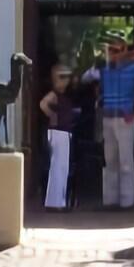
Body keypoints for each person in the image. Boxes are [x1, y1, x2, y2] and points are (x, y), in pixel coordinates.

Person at [98, 37, 134, 208]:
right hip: (108, 118)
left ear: (123, 51)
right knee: (110, 160)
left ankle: (126, 201)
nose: (111, 54)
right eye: (110, 50)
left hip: (125, 119)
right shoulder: (104, 70)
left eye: (115, 50)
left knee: (126, 161)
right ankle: (110, 200)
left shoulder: (133, 69)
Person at [37, 66, 78, 211]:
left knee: (62, 167)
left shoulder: (65, 96)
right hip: (58, 132)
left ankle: (58, 201)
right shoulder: (54, 94)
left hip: (64, 132)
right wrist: (51, 115)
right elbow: (42, 104)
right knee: (57, 167)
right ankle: (54, 203)